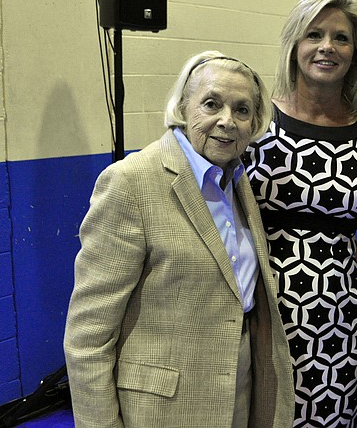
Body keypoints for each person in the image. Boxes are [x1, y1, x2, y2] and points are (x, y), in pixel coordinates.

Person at [64, 51, 295, 428]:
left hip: (238, 385)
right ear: (183, 107)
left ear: (255, 123)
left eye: (242, 110)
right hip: (163, 408)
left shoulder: (235, 180)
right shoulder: (129, 182)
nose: (227, 121)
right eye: (211, 104)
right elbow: (88, 337)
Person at [243, 0, 357, 427]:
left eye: (340, 38)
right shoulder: (255, 122)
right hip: (259, 308)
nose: (327, 47)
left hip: (337, 318)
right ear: (295, 45)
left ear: (355, 53)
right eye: (314, 34)